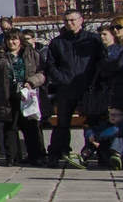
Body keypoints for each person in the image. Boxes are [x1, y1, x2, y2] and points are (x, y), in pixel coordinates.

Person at [45, 10, 105, 165]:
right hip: (66, 88)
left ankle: (100, 155)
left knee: (94, 122)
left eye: (72, 20)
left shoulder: (93, 39)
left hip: (90, 88)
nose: (69, 23)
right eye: (66, 20)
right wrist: (61, 79)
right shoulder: (57, 42)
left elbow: (102, 61)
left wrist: (95, 80)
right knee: (62, 123)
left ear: (81, 20)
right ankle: (56, 154)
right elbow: (51, 65)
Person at [0, 31, 46, 166]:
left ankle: (34, 157)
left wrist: (32, 82)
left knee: (30, 127)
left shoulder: (32, 54)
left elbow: (42, 72)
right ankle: (11, 158)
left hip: (27, 96)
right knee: (9, 128)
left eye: (14, 39)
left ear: (20, 40)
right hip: (7, 97)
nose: (11, 42)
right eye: (9, 39)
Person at [66, 105, 123, 170]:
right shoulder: (107, 124)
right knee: (94, 136)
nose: (112, 116)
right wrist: (91, 137)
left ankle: (116, 156)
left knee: (119, 136)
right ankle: (83, 157)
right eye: (110, 114)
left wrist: (95, 138)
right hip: (110, 157)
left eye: (116, 115)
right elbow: (89, 130)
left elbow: (113, 131)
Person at [99, 16, 123, 116]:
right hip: (115, 89)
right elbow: (102, 71)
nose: (115, 30)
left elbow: (118, 65)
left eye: (119, 27)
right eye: (112, 28)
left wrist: (103, 62)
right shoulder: (111, 48)